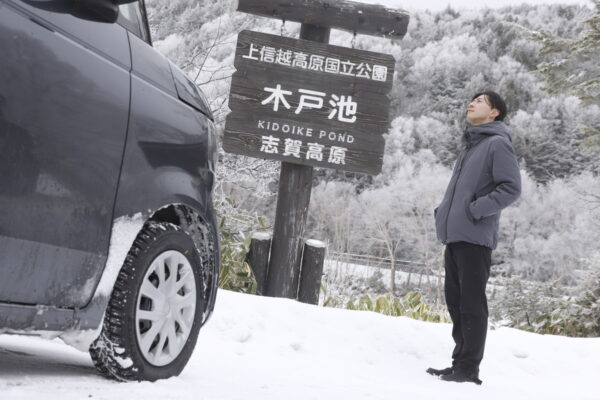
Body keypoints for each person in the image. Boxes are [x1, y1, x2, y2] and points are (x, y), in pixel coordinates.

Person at [427, 91, 522, 385]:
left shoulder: (497, 144)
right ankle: (459, 363)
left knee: (471, 304)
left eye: (480, 101)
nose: (472, 103)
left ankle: (469, 369)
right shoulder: (471, 146)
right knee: (456, 303)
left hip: (475, 237)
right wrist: (444, 212)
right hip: (456, 235)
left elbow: (511, 188)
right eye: (472, 100)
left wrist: (475, 210)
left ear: (494, 113)